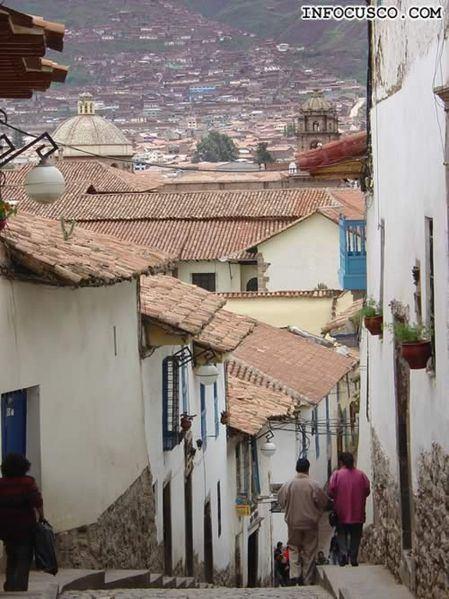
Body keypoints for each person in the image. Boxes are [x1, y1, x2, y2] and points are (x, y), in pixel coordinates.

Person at [277, 458, 329, 586]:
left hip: (293, 523)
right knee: (309, 551)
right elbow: (323, 502)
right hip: (310, 524)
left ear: (296, 469)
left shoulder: (288, 484)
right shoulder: (314, 484)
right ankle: (307, 579)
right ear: (308, 469)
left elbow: (281, 501)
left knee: (293, 548)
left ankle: (294, 576)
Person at [0, 453, 44, 591]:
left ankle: (10, 583)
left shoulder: (1, 484)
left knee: (11, 555)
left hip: (5, 527)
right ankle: (20, 585)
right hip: (25, 526)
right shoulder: (28, 482)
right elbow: (37, 501)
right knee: (24, 557)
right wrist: (42, 517)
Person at [328, 452, 370, 567]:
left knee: (341, 533)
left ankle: (343, 554)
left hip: (341, 512)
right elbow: (367, 490)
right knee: (356, 535)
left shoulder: (336, 475)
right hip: (358, 512)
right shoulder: (361, 475)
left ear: (341, 462)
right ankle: (353, 556)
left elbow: (331, 492)